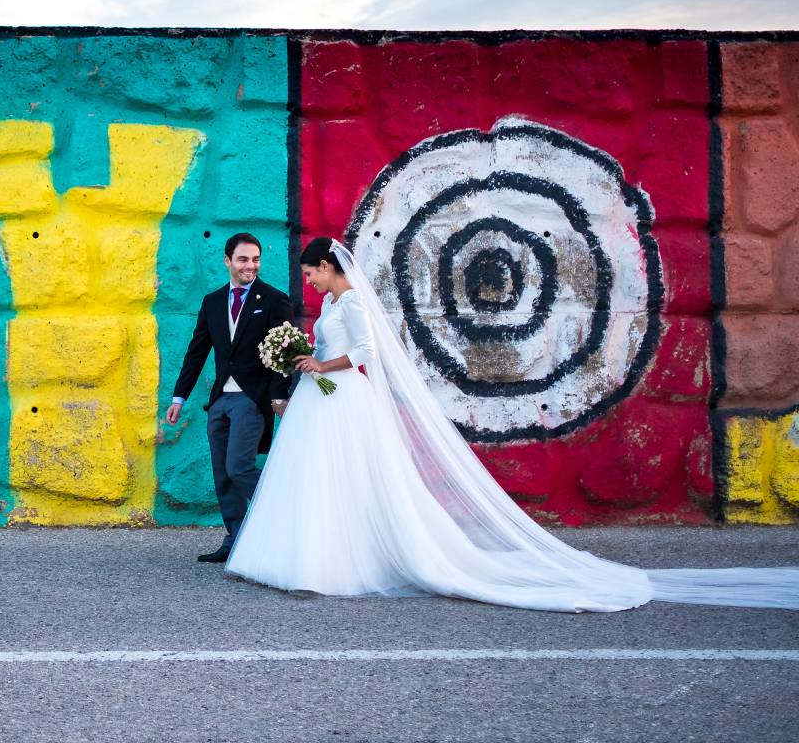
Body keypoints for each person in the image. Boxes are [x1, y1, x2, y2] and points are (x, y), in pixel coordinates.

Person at [225, 236, 799, 612]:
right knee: (321, 480)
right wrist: (302, 358)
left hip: (340, 395)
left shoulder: (351, 306)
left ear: (328, 267)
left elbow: (365, 354)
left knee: (347, 477)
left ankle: (337, 560)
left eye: (312, 274)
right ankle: (309, 554)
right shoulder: (329, 308)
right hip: (322, 398)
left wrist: (319, 363)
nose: (310, 283)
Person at [167, 233, 295, 563]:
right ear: (228, 261)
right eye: (243, 259)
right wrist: (179, 398)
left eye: (255, 259)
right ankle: (236, 540)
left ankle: (285, 520)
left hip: (252, 400)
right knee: (222, 474)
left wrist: (278, 398)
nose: (250, 265)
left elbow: (284, 352)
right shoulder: (212, 302)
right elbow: (196, 353)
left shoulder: (274, 300)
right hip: (220, 399)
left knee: (239, 467)